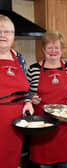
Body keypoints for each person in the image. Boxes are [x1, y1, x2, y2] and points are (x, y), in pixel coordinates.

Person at [27, 31, 67, 168]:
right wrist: (32, 99)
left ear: (62, 50)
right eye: (49, 47)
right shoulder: (33, 69)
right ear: (44, 49)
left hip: (65, 125)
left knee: (65, 163)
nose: (53, 51)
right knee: (44, 164)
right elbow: (27, 93)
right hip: (42, 125)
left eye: (56, 47)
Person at [0, 14, 34, 168]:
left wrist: (27, 102)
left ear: (13, 36)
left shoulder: (18, 57)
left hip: (16, 123)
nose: (2, 35)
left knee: (11, 160)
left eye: (7, 31)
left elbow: (25, 88)